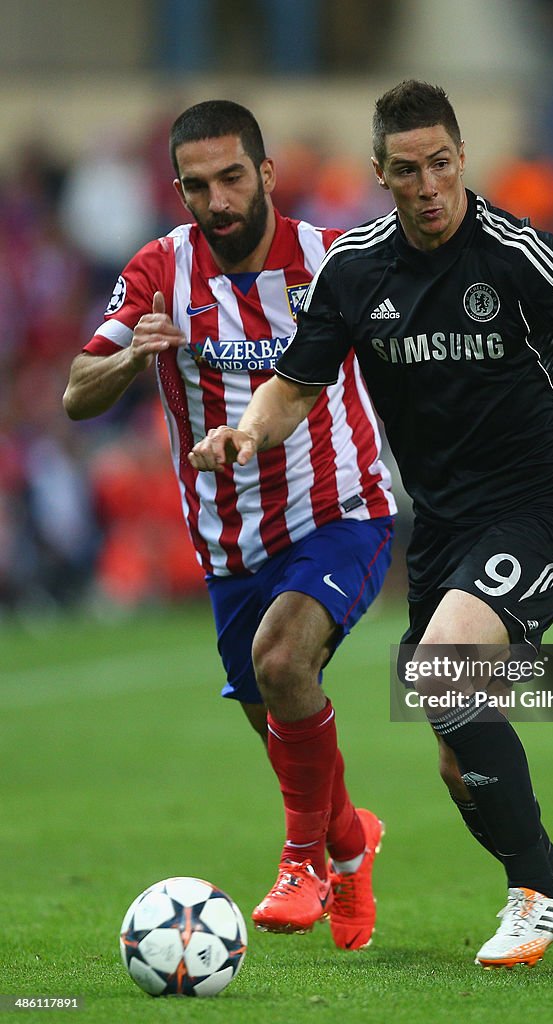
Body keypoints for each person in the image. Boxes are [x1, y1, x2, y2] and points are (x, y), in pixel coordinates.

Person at [189, 81, 553, 968]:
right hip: (447, 526)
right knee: (458, 753)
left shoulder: (518, 252)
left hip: (548, 500)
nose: (427, 186)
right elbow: (295, 385)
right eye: (406, 171)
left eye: (440, 164)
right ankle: (550, 864)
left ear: (461, 159)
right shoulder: (354, 269)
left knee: (441, 672)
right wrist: (245, 431)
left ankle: (541, 888)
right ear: (379, 175)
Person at [62, 100, 396, 951]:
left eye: (233, 178)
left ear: (268, 174)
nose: (219, 200)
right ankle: (350, 846)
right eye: (199, 185)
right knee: (282, 714)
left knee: (281, 661)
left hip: (340, 509)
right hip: (228, 540)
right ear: (179, 191)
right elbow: (75, 391)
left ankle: (303, 865)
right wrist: (134, 356)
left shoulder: (332, 261)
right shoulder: (155, 272)